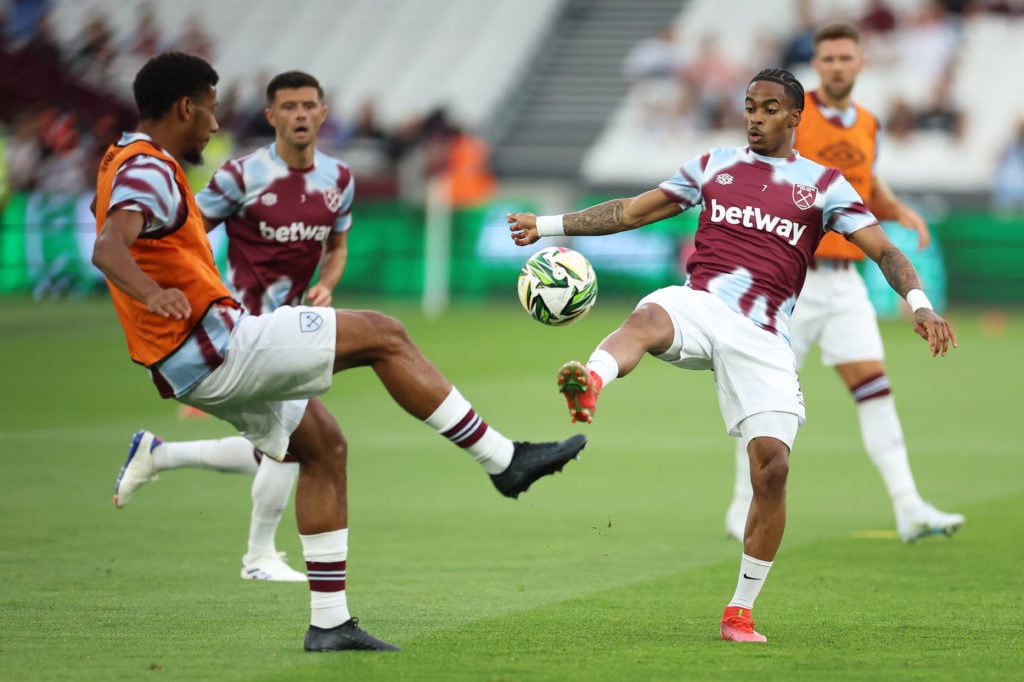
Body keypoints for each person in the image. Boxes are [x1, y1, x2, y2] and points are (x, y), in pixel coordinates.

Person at [93, 51, 587, 653]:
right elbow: (108, 247)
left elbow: (144, 241)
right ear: (184, 107)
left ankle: (329, 623)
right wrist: (154, 292)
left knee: (325, 448)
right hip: (221, 340)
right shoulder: (149, 167)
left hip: (192, 359)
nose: (216, 126)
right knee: (385, 333)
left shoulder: (129, 158)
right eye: (212, 111)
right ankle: (503, 460)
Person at [506, 68, 956, 643]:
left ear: (796, 117)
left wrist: (919, 303)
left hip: (765, 337)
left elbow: (884, 250)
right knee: (646, 317)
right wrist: (546, 226)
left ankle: (739, 610)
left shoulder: (824, 185)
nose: (755, 117)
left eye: (769, 108)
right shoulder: (713, 164)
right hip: (701, 304)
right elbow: (632, 211)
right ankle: (590, 379)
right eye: (749, 106)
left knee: (773, 468)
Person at [723, 23, 965, 546]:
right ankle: (740, 505)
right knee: (765, 401)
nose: (835, 66)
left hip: (846, 280)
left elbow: (865, 185)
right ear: (818, 64)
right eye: (827, 58)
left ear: (860, 64)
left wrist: (897, 208)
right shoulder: (791, 115)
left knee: (874, 389)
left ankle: (909, 507)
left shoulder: (869, 124)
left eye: (844, 58)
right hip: (791, 282)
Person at [111, 70, 357, 582]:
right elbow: (186, 234)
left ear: (323, 112)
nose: (300, 115)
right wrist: (183, 299)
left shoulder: (339, 179)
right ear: (271, 116)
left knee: (287, 446)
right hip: (242, 326)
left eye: (309, 105)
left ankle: (160, 456)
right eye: (288, 106)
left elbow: (337, 248)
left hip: (291, 323)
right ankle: (258, 557)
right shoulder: (239, 176)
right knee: (299, 446)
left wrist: (328, 283)